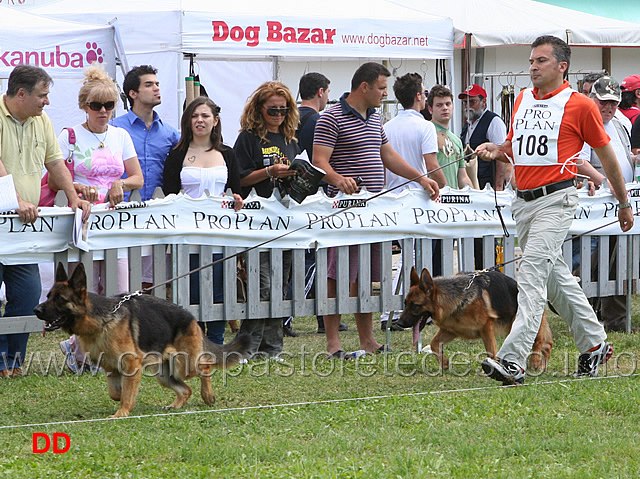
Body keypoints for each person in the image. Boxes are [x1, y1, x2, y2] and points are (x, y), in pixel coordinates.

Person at [477, 35, 634, 385]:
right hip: (524, 202)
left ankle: (513, 360)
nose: (533, 67)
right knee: (555, 277)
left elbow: (606, 156)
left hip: (557, 200)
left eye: (541, 61)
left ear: (562, 66)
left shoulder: (581, 105)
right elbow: (516, 148)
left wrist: (623, 203)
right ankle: (594, 343)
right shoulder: (521, 99)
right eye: (531, 61)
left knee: (531, 276)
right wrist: (495, 149)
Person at [312, 62, 439, 358]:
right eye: (381, 88)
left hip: (372, 214)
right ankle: (333, 343)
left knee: (365, 276)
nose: (385, 93)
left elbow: (388, 155)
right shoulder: (331, 117)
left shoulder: (375, 118)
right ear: (364, 87)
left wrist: (420, 177)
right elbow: (319, 161)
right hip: (342, 213)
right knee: (337, 277)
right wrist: (338, 179)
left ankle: (367, 340)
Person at [0, 65, 91, 378]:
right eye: (42, 95)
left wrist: (73, 196)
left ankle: (10, 363)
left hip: (23, 229)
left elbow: (55, 162)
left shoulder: (42, 121)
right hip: (6, 217)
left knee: (27, 296)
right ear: (21, 94)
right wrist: (14, 200)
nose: (47, 102)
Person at [54, 65, 144, 373]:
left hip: (114, 223)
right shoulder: (69, 135)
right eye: (96, 106)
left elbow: (138, 177)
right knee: (86, 293)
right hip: (85, 222)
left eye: (108, 105)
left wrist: (122, 184)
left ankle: (109, 353)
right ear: (84, 107)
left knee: (118, 291)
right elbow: (55, 178)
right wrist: (76, 187)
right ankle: (79, 353)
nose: (103, 111)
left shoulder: (121, 136)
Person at [163, 96, 243, 344]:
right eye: (194, 116)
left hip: (220, 234)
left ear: (215, 120)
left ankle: (217, 341)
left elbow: (236, 190)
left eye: (205, 116)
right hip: (188, 235)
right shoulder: (177, 154)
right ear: (187, 122)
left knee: (218, 287)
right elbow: (169, 193)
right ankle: (195, 341)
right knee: (193, 289)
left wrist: (237, 200)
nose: (199, 121)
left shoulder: (227, 154)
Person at [233, 81, 299, 358]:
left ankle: (272, 347)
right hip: (256, 220)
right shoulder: (248, 139)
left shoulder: (291, 140)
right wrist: (269, 172)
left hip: (286, 218)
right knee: (261, 285)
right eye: (273, 110)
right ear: (259, 109)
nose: (278, 115)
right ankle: (248, 347)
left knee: (279, 285)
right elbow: (239, 179)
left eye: (283, 110)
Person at [379, 73, 441, 331]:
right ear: (418, 97)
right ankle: (389, 314)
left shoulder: (387, 126)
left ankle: (389, 311)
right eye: (425, 93)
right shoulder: (425, 126)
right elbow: (432, 165)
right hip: (417, 199)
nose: (425, 97)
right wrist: (446, 188)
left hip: (391, 198)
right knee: (411, 260)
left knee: (399, 259)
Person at [111, 65, 180, 290]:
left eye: (157, 84)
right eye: (149, 85)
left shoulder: (170, 133)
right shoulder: (113, 128)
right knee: (122, 279)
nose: (156, 88)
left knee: (153, 281)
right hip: (122, 213)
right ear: (133, 93)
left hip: (157, 214)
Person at [574, 76, 633, 332]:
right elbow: (579, 161)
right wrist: (605, 180)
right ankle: (595, 312)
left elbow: (624, 155)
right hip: (599, 208)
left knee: (621, 261)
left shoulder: (620, 125)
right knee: (595, 264)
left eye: (613, 103)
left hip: (623, 202)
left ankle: (613, 318)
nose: (608, 108)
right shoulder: (587, 123)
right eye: (604, 102)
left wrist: (633, 158)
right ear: (593, 100)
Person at [459, 84, 509, 190]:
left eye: (472, 102)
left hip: (488, 186)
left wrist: (498, 187)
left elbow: (501, 155)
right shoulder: (467, 125)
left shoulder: (494, 122)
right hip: (472, 185)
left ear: (484, 102)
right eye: (465, 102)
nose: (468, 106)